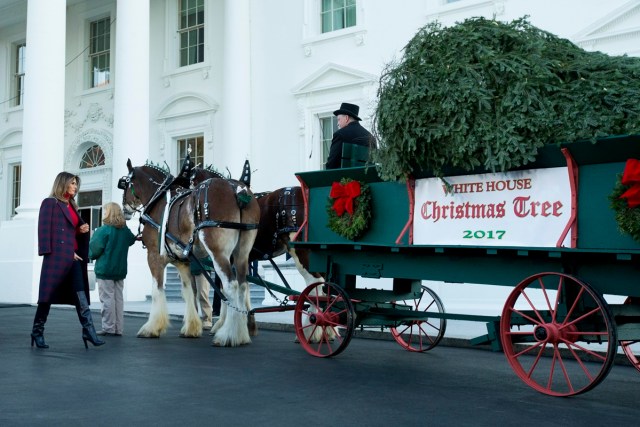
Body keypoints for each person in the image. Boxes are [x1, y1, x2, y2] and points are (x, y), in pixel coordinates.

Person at [31, 172, 105, 349]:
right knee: (46, 298)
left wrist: (81, 230)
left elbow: (68, 231)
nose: (75, 187)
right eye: (72, 183)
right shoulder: (50, 203)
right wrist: (60, 252)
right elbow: (44, 231)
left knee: (81, 295)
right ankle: (37, 331)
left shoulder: (72, 205)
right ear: (62, 184)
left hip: (74, 257)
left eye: (76, 184)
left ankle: (88, 330)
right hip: (57, 258)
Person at [89, 202, 137, 336]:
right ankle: (118, 329)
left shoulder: (103, 230)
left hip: (105, 270)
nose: (103, 213)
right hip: (120, 270)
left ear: (109, 213)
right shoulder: (125, 231)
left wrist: (90, 254)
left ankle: (108, 328)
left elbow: (94, 250)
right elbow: (132, 240)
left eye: (105, 211)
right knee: (118, 299)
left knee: (107, 299)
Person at [325, 102, 375, 169]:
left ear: (346, 118)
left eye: (339, 119)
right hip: (368, 178)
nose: (338, 124)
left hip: (345, 178)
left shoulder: (340, 135)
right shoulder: (371, 137)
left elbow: (331, 165)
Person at [190, 256, 216, 330]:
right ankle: (192, 319)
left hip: (203, 266)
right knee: (191, 296)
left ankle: (207, 320)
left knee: (202, 294)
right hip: (188, 265)